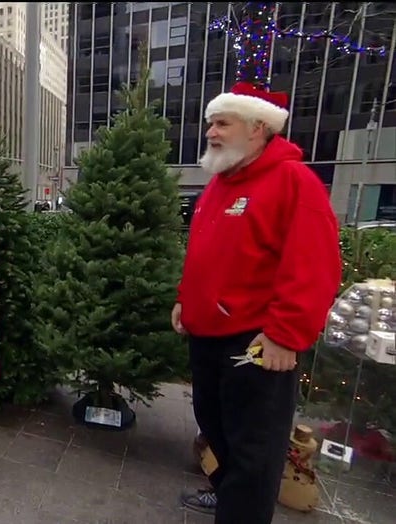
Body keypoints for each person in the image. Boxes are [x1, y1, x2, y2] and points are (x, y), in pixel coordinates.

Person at [173, 82, 342, 523]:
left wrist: (286, 336)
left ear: (259, 128)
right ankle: (230, 496)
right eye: (211, 122)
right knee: (217, 429)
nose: (211, 131)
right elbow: (205, 255)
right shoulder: (220, 184)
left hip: (256, 345)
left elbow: (314, 266)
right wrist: (184, 301)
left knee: (255, 449)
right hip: (207, 336)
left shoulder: (293, 182)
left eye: (223, 123)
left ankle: (241, 510)